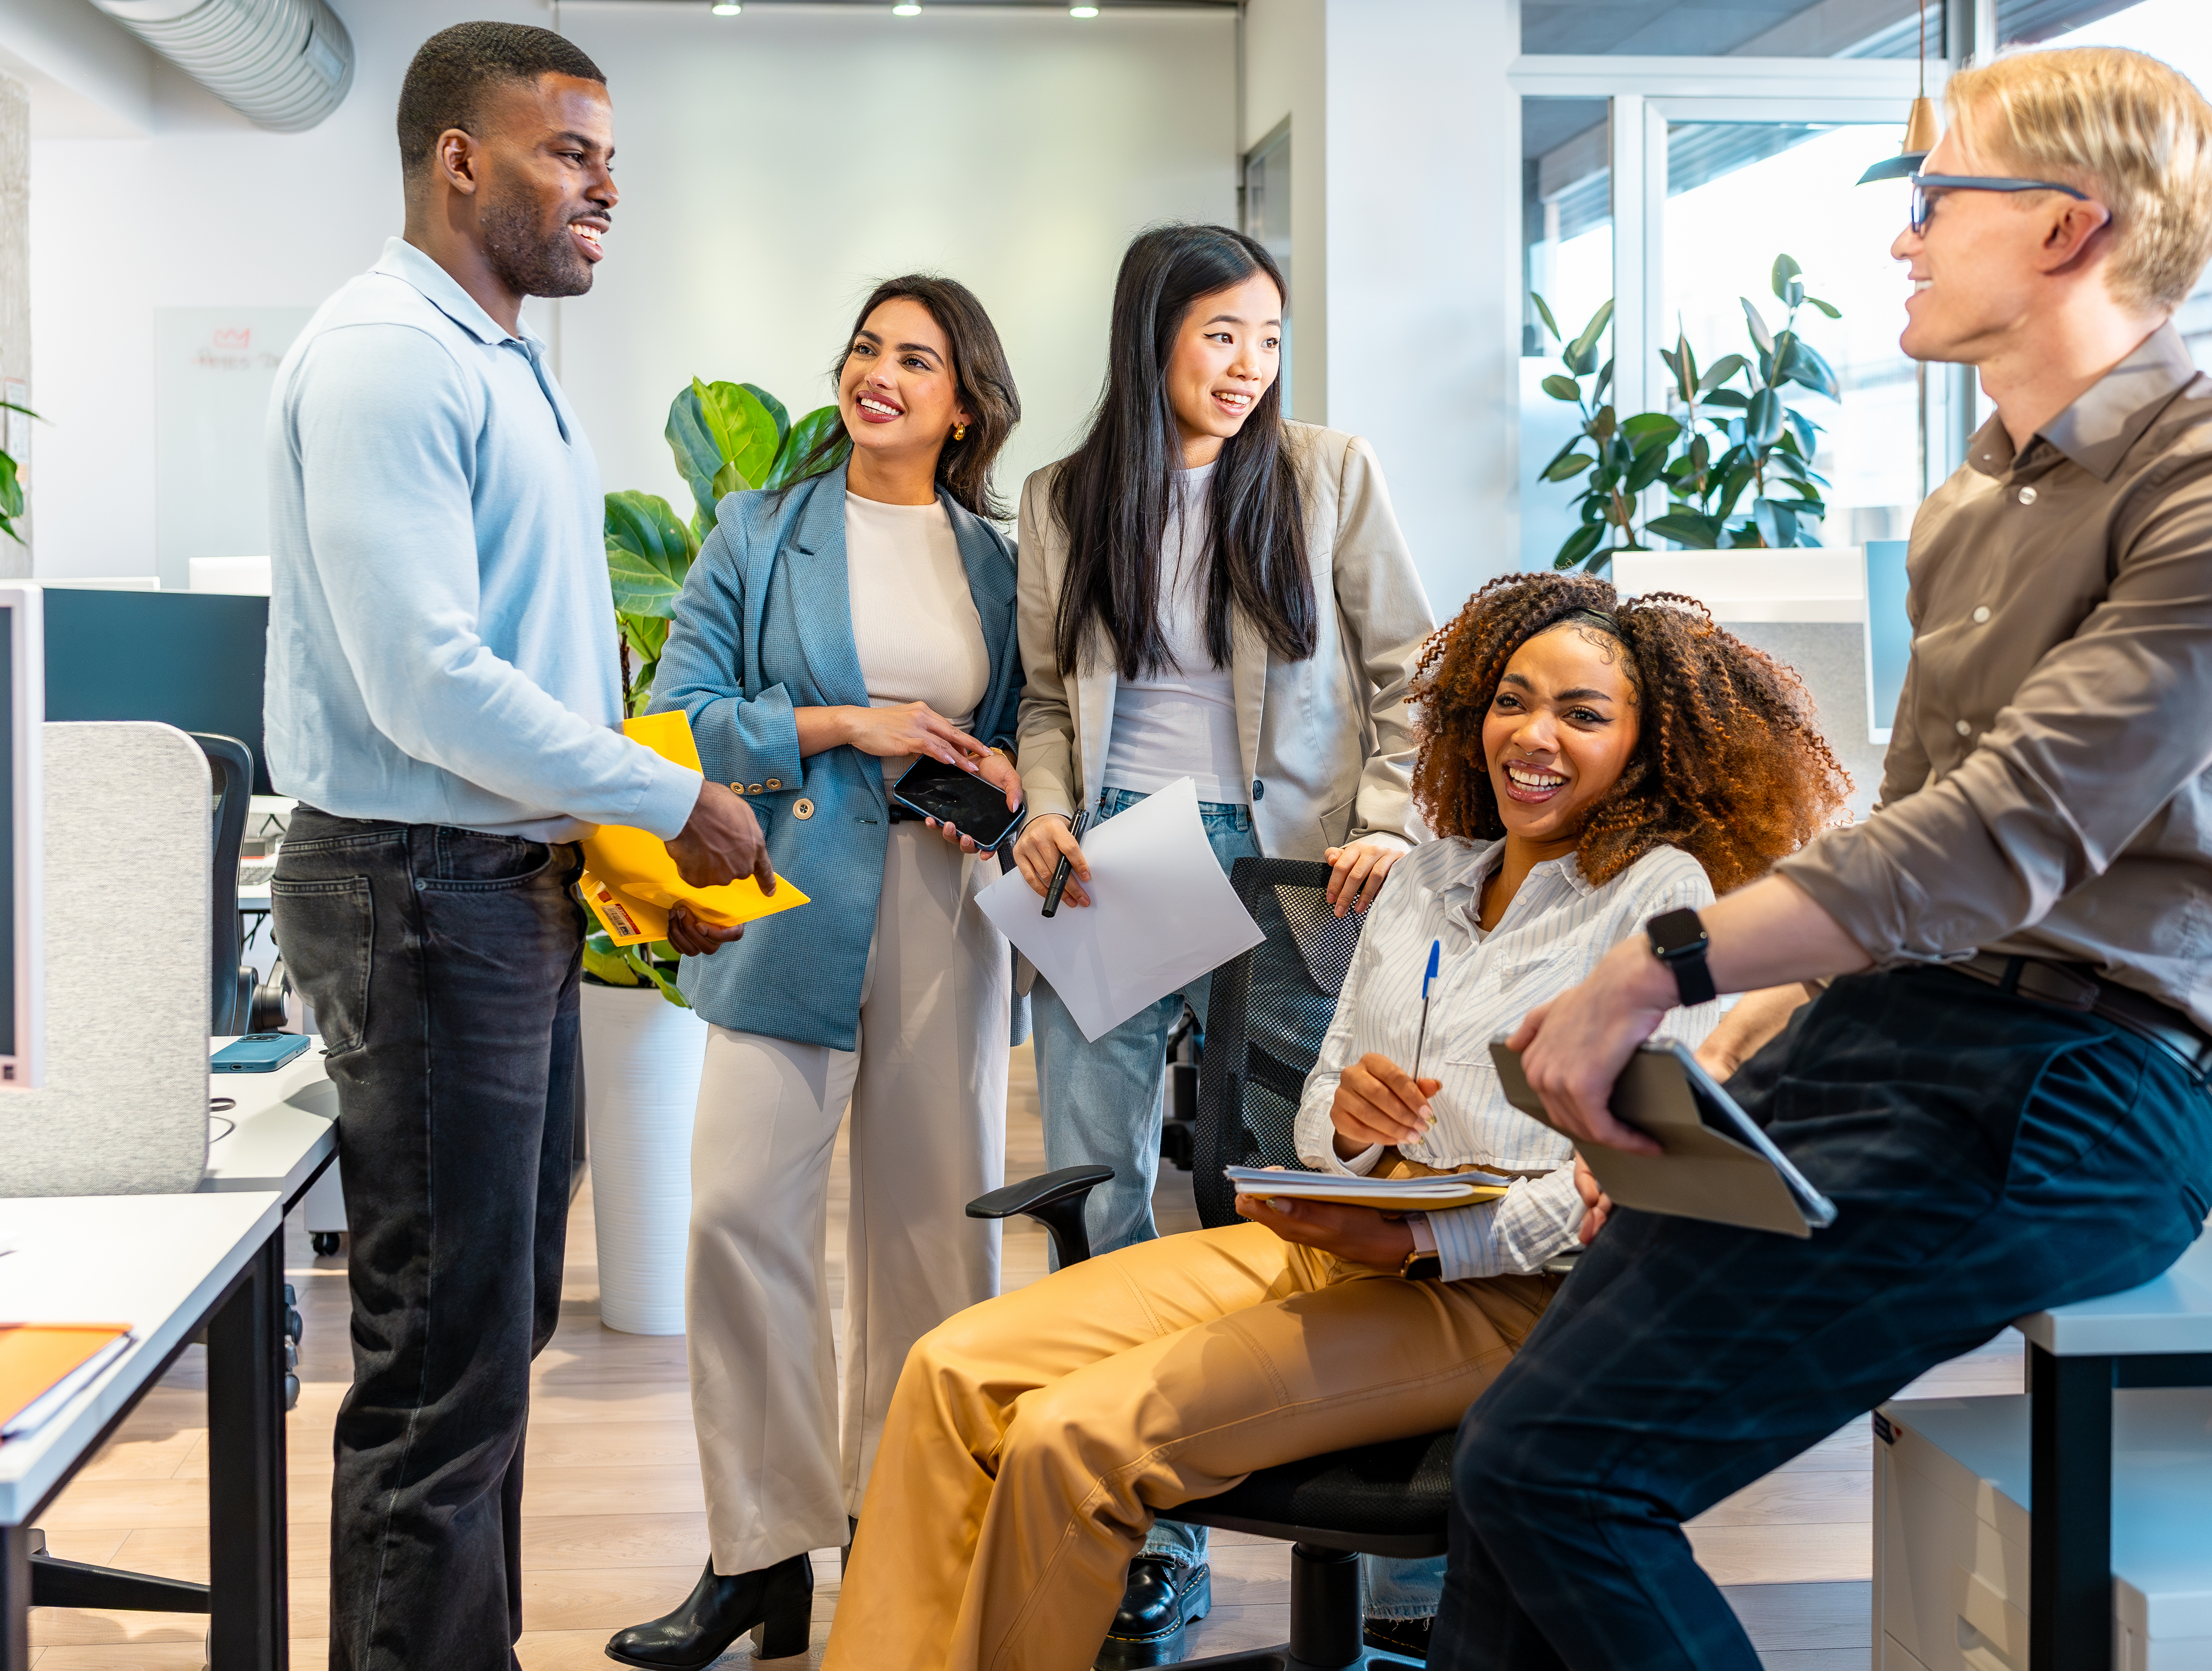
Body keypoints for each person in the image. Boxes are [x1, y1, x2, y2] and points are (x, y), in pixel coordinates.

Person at [1430, 46, 2212, 1670]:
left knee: (1564, 1477)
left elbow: (2005, 830)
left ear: (2073, 228)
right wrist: (1767, 1019)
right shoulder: (1973, 507)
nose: (1904, 237)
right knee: (1520, 1472)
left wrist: (1658, 969)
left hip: (2078, 1083)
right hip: (1901, 1036)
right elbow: (1909, 824)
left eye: (1938, 197)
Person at [825, 570, 1853, 1671]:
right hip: (1333, 1239)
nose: (1533, 736)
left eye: (1582, 714)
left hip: (1503, 1296)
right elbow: (1317, 1110)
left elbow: (1631, 1174)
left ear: (1648, 748)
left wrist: (1427, 1236)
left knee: (1072, 1438)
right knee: (950, 1369)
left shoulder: (1662, 895)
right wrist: (1357, 1136)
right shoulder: (1428, 879)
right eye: (1511, 700)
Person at [264, 22, 771, 1671]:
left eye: (612, 156)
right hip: (420, 898)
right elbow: (429, 686)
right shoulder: (389, 359)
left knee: (487, 1345)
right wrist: (654, 793)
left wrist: (624, 857)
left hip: (492, 891)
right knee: (440, 1372)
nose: (605, 185)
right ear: (457, 159)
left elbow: (534, 669)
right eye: (570, 150)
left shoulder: (497, 355)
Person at [1006, 222, 1438, 1650]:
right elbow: (1049, 701)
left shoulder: (1327, 475)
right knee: (1102, 1185)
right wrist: (1049, 813)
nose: (1249, 366)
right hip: (1122, 857)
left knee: (1314, 1180)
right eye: (1219, 335)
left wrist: (1386, 816)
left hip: (1297, 869)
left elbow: (1414, 677)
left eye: (1267, 336)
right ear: (1153, 339)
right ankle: (1154, 1534)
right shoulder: (1069, 497)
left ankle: (1389, 1548)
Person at [602, 277, 1029, 1669]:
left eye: (917, 359)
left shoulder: (1001, 561)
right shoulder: (757, 529)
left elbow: (1040, 727)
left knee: (930, 1235)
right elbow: (676, 716)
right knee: (737, 1211)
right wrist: (849, 720)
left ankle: (910, 1538)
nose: (879, 375)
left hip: (944, 900)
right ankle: (759, 1555)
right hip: (789, 896)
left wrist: (1010, 773)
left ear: (964, 403)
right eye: (865, 348)